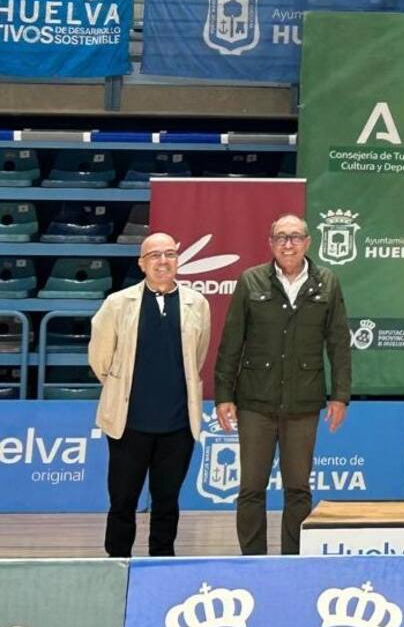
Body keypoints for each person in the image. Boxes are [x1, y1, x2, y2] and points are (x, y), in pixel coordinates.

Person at [214, 213, 352, 555]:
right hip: (255, 401)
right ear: (271, 244)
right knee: (251, 488)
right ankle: (253, 560)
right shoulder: (251, 280)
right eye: (281, 237)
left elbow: (338, 343)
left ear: (307, 242)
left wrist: (340, 396)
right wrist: (222, 395)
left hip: (303, 402)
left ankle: (293, 559)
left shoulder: (328, 282)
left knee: (298, 488)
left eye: (295, 237)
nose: (288, 244)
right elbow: (231, 342)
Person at [89, 232, 211, 557]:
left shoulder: (197, 303)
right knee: (123, 501)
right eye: (154, 255)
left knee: (167, 502)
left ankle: (161, 564)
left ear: (177, 260)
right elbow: (100, 360)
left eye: (169, 254)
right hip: (129, 424)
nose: (162, 261)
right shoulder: (117, 304)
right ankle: (116, 563)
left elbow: (196, 357)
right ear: (142, 263)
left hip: (177, 426)